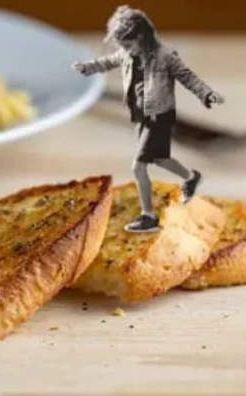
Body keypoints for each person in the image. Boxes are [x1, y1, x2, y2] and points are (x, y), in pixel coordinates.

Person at [72, 5, 225, 233]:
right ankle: (191, 177)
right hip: (142, 116)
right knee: (160, 160)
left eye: (126, 41)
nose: (123, 47)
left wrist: (206, 93)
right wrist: (87, 67)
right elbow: (107, 62)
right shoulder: (127, 53)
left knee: (139, 167)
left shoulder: (165, 56)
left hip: (160, 115)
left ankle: (148, 216)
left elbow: (187, 76)